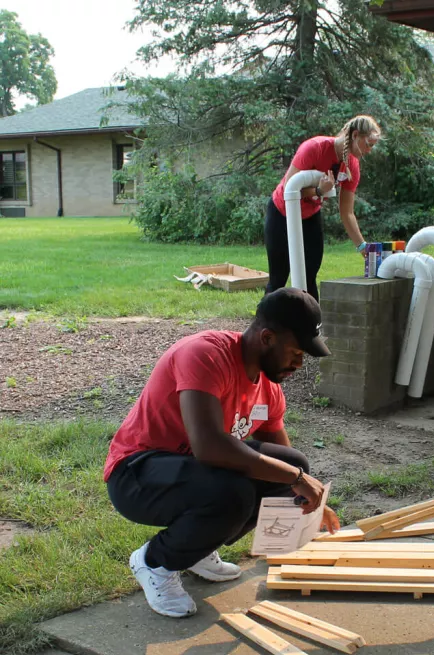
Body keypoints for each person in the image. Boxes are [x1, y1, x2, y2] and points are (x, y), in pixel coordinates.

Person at [104, 288, 340, 618]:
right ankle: (153, 561)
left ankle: (197, 549)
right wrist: (297, 479)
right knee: (234, 493)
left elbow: (285, 466)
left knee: (291, 465)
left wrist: (308, 504)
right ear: (268, 338)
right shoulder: (204, 355)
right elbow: (210, 447)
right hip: (136, 473)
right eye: (296, 352)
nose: (299, 364)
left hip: (191, 472)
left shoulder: (268, 388)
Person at [265, 115, 381, 301]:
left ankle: (311, 328)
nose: (369, 150)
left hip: (310, 216)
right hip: (281, 213)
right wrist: (319, 190)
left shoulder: (352, 165)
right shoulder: (315, 148)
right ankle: (263, 326)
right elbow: (289, 189)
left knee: (310, 276)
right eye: (368, 144)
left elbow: (347, 212)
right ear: (356, 135)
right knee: (278, 278)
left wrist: (363, 247)